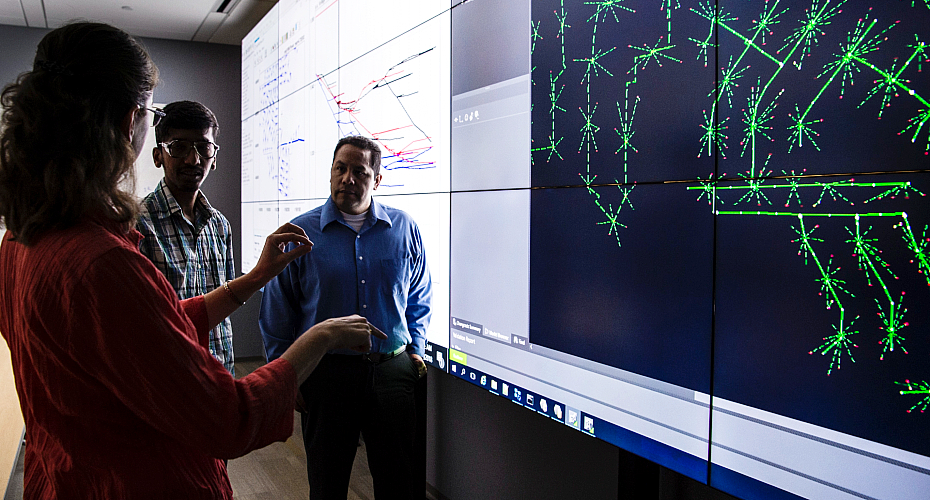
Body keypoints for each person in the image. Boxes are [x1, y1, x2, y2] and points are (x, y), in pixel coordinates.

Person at [0, 22, 384, 499]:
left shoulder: (23, 240)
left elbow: (140, 332)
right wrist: (319, 337)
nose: (192, 158)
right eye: (153, 113)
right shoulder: (101, 262)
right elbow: (229, 418)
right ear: (131, 124)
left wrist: (253, 280)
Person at [260, 135, 432, 499]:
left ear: (377, 179)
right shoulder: (300, 233)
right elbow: (277, 310)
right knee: (327, 480)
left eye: (359, 171)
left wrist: (416, 346)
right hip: (326, 375)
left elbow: (419, 292)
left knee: (399, 479)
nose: (347, 178)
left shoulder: (403, 228)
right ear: (331, 172)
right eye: (340, 168)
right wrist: (284, 374)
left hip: (392, 371)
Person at [137, 100, 238, 375]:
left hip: (220, 378)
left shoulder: (220, 226)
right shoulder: (138, 224)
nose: (193, 160)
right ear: (158, 156)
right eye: (179, 147)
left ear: (214, 157)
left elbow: (224, 306)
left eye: (203, 147)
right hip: (168, 385)